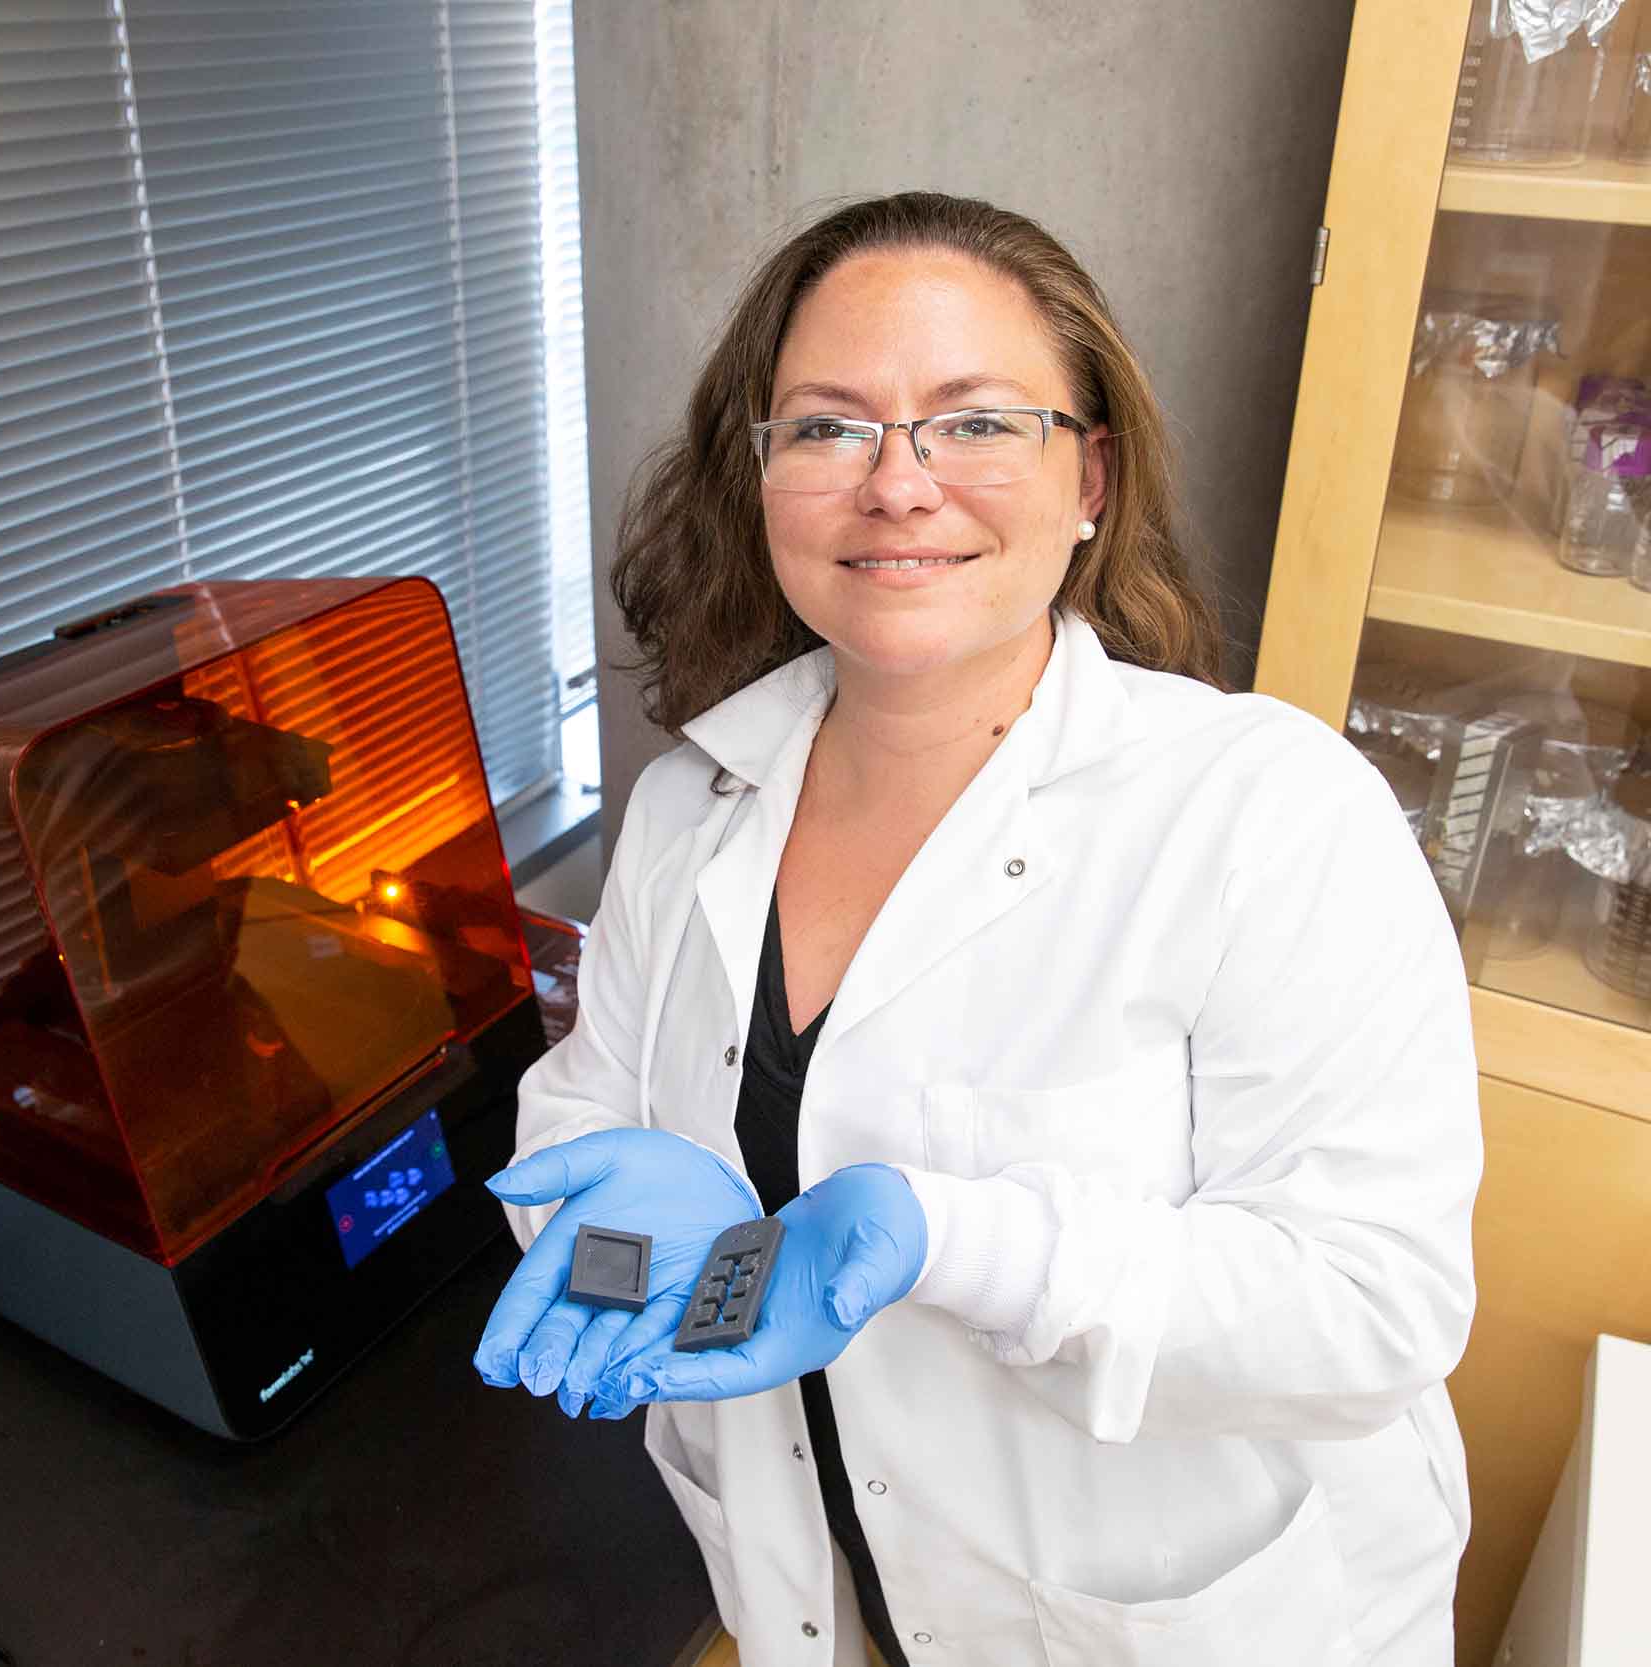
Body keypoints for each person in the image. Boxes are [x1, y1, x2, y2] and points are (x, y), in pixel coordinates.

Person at [472, 192, 1479, 1666]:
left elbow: (1372, 1304)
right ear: (759, 484)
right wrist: (625, 1231)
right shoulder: (694, 804)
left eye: (977, 422)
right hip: (812, 1602)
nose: (898, 484)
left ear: (1092, 477)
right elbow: (584, 1118)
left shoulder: (1267, 813)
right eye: (825, 428)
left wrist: (958, 1241)